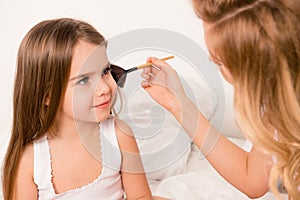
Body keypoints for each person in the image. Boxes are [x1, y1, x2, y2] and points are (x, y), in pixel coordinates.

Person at [140, 0, 300, 199]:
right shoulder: (277, 102)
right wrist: (178, 103)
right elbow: (253, 179)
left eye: (220, 61)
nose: (211, 62)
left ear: (257, 66)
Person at [1, 18, 166, 200]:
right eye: (84, 80)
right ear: (47, 95)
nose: (105, 88)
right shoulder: (30, 160)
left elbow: (141, 197)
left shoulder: (119, 135)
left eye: (105, 71)